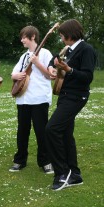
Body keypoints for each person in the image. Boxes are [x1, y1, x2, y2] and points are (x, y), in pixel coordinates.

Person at [46, 19, 96, 191]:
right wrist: (54, 70)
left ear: (69, 34)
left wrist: (69, 70)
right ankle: (74, 174)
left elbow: (88, 77)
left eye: (62, 35)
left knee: (52, 129)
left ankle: (61, 173)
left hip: (76, 97)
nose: (61, 39)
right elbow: (57, 64)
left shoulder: (86, 50)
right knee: (66, 134)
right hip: (65, 95)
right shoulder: (68, 50)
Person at [9, 26, 54, 174]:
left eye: (24, 37)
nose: (22, 40)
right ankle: (20, 160)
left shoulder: (46, 53)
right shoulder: (23, 56)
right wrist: (16, 76)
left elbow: (50, 75)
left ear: (33, 36)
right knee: (22, 130)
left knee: (41, 131)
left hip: (39, 98)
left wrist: (37, 63)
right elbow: (13, 74)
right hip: (23, 99)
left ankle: (45, 161)